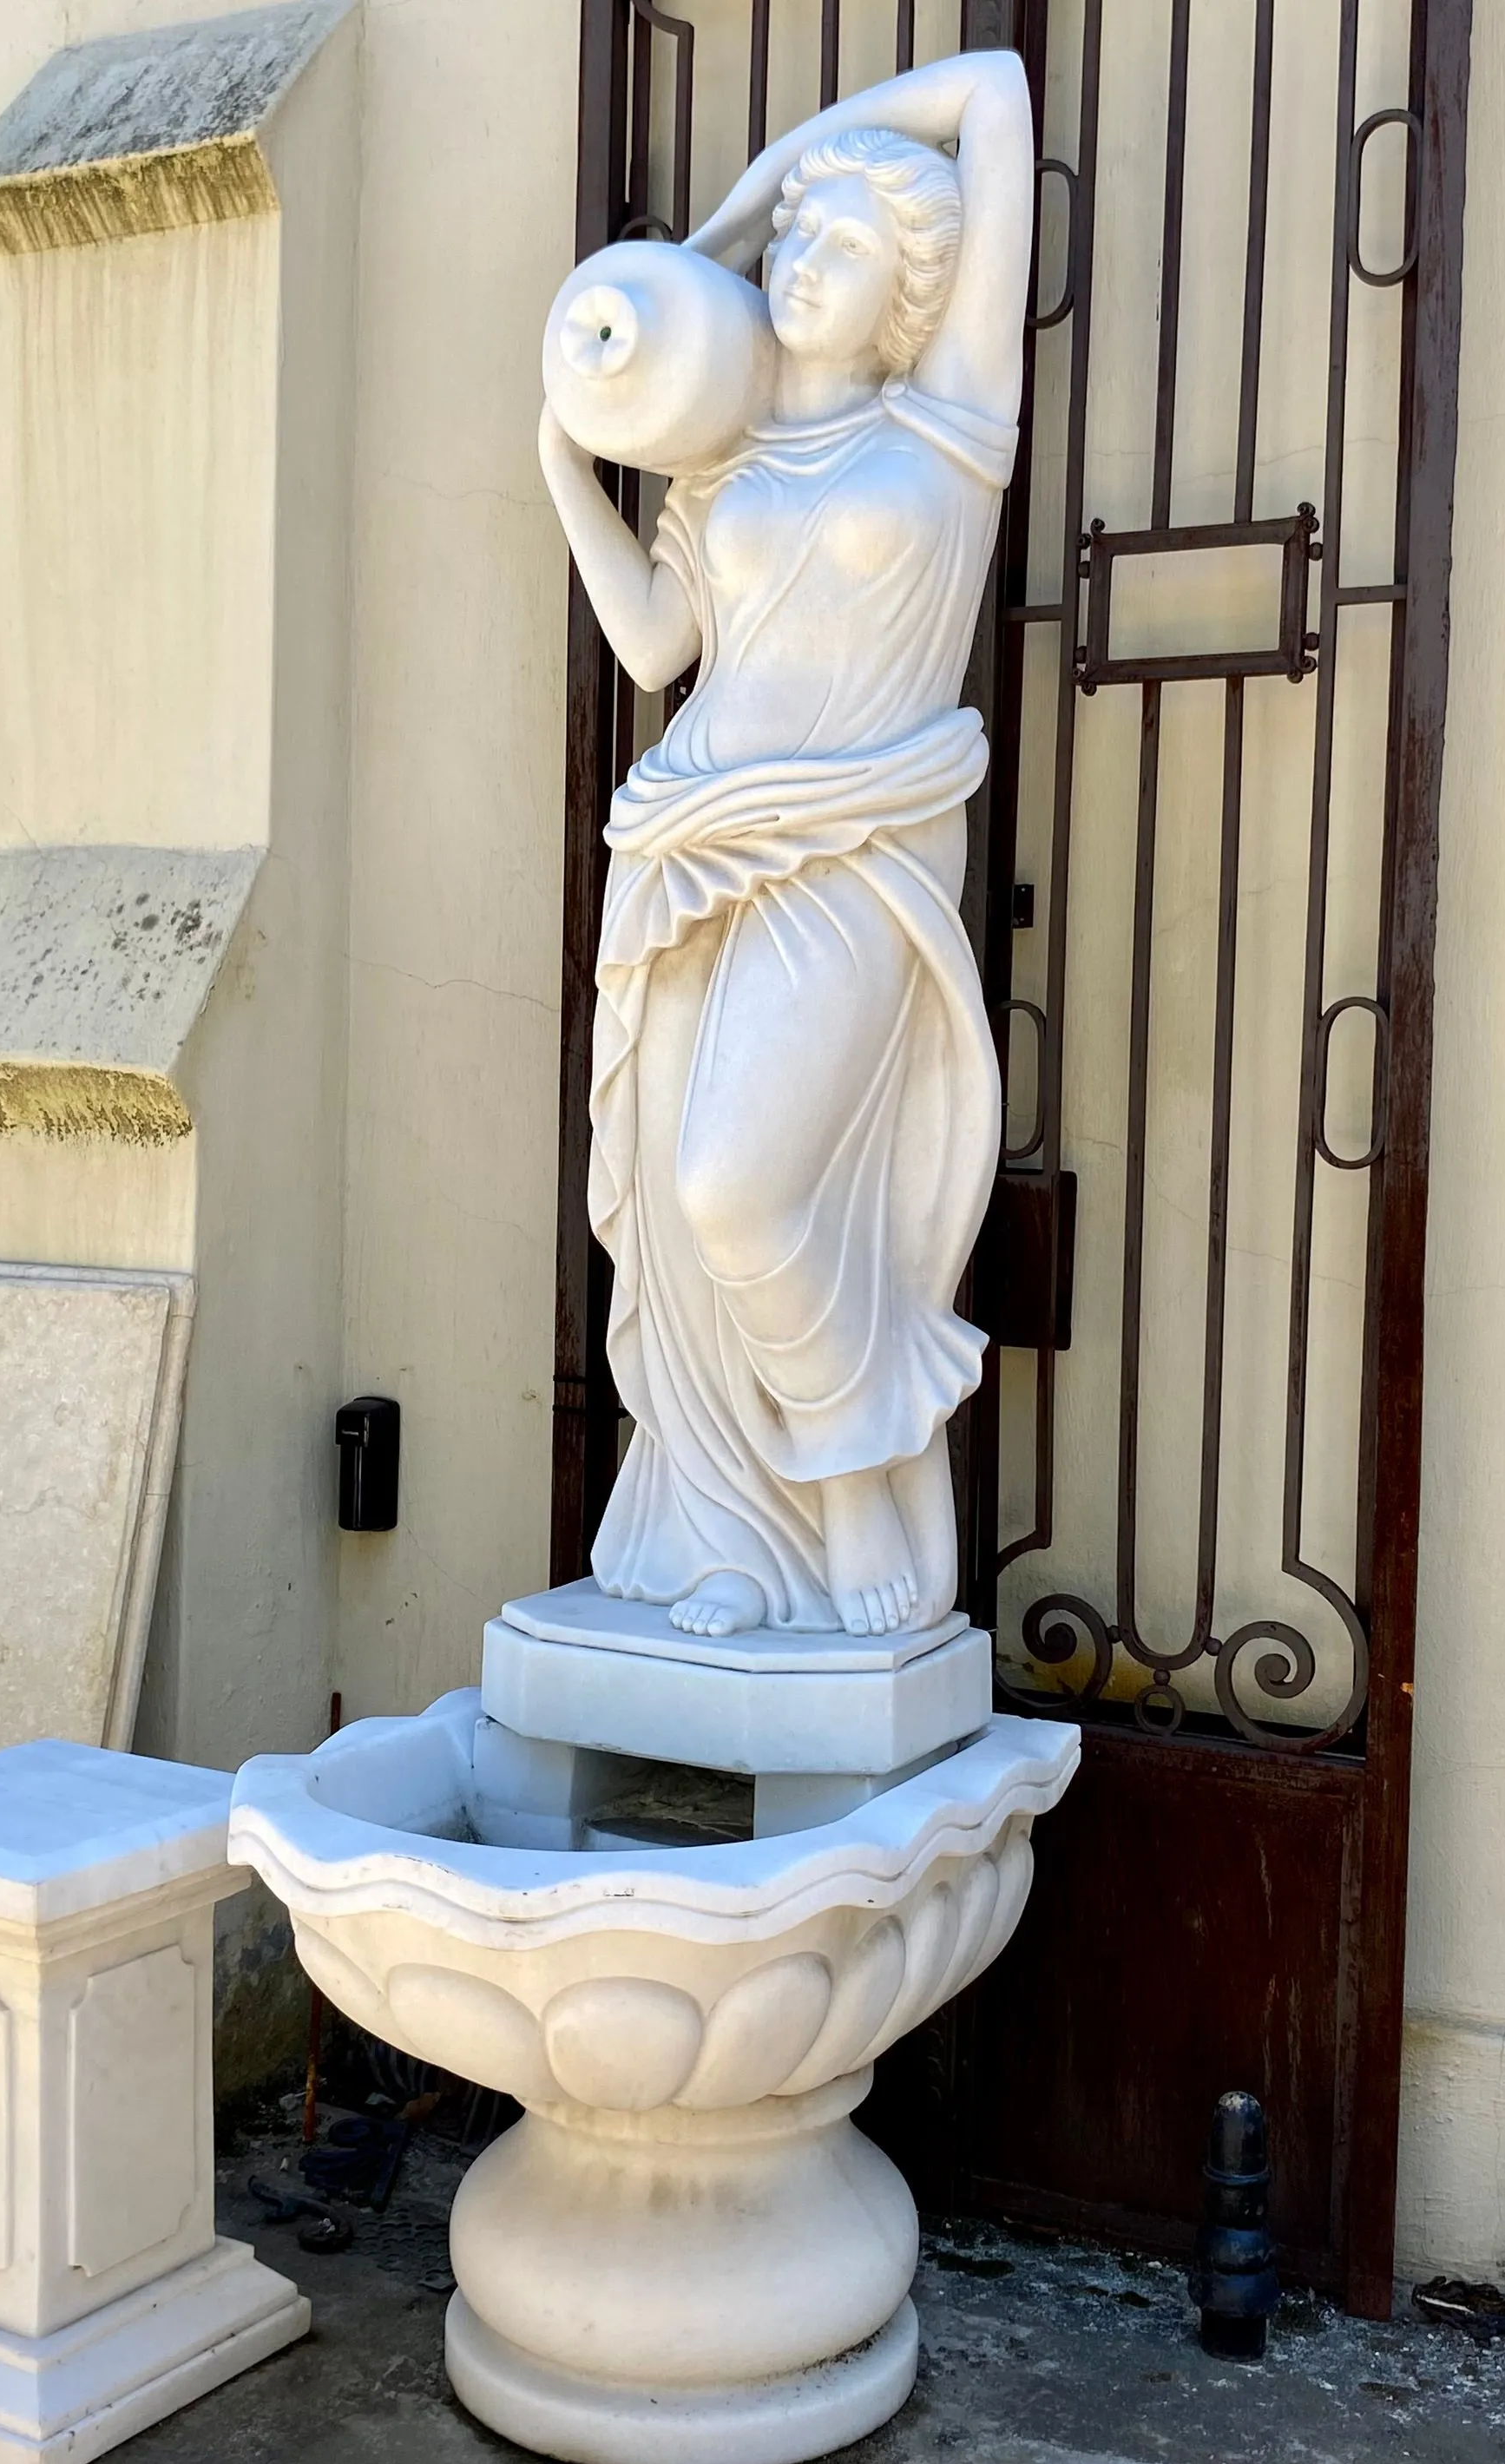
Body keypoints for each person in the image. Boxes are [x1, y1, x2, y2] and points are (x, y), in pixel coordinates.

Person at [537, 51, 1034, 1639]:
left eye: (840, 254)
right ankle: (739, 1540)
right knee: (684, 1231)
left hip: (857, 852)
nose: (803, 270)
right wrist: (567, 468)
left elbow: (997, 97)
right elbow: (654, 649)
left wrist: (752, 198)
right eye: (794, 248)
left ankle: (851, 1484)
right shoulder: (719, 465)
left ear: (910, 301)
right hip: (693, 843)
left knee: (737, 1186)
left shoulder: (949, 429)